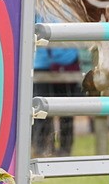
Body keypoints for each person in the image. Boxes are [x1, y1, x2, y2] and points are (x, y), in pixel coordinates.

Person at [32, 16, 81, 158]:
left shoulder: (68, 10)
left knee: (65, 111)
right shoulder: (37, 9)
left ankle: (62, 150)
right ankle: (43, 149)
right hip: (44, 66)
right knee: (41, 111)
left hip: (64, 65)